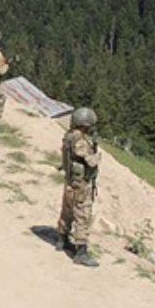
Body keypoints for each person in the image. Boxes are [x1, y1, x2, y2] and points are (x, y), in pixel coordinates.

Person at [55, 107, 101, 267]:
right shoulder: (80, 140)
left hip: (71, 182)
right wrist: (97, 156)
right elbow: (89, 160)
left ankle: (61, 239)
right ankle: (81, 251)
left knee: (67, 210)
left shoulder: (69, 136)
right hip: (81, 184)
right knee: (83, 214)